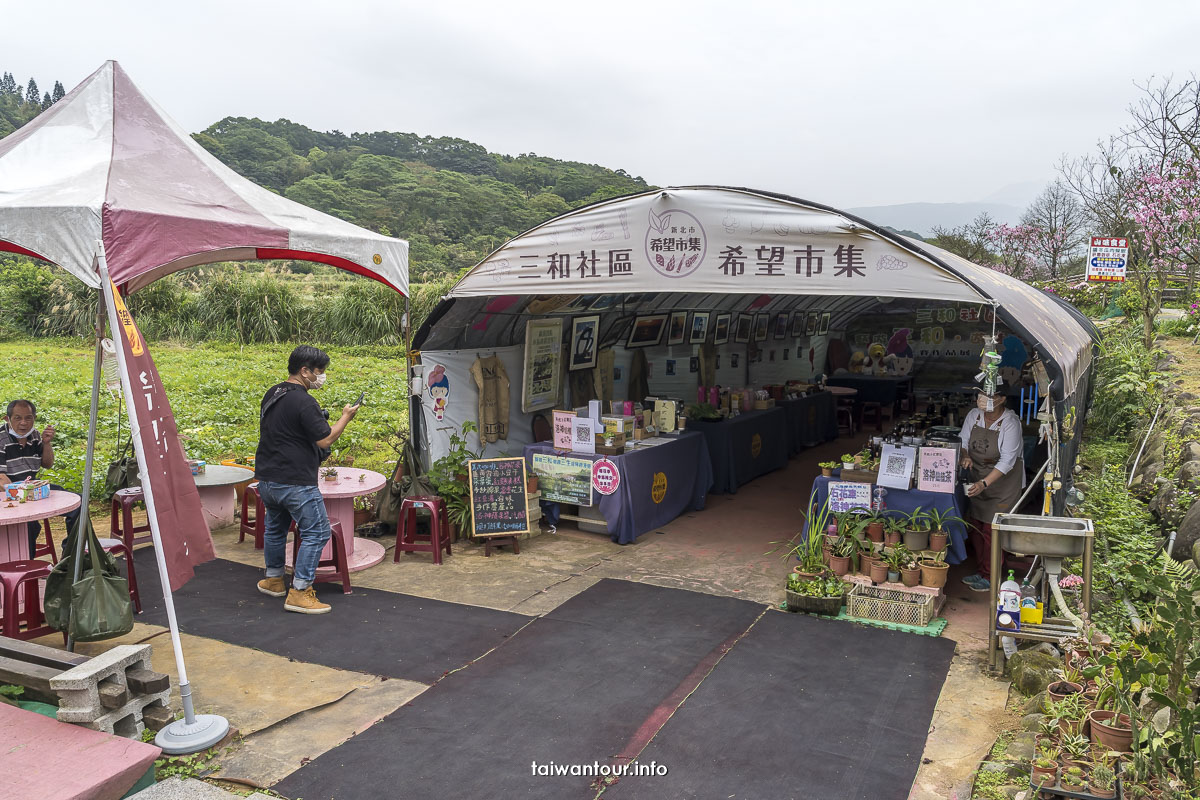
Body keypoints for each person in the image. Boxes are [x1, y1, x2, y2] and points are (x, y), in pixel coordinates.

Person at [254, 346, 358, 614]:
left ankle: (274, 579)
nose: (322, 377)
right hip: (295, 482)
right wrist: (346, 417)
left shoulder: (273, 393)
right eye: (319, 372)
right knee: (318, 531)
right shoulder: (304, 401)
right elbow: (325, 438)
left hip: (268, 479)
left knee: (276, 529)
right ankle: (300, 591)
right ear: (304, 371)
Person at [958, 390, 1025, 593]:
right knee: (977, 526)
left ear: (1002, 398)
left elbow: (1007, 462)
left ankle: (991, 575)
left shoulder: (1010, 423)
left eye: (990, 396)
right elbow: (962, 441)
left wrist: (984, 484)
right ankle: (981, 570)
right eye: (981, 395)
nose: (983, 400)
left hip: (1002, 484)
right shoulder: (974, 415)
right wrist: (966, 455)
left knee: (992, 530)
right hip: (977, 477)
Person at [0, 399, 80, 556]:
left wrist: (46, 443)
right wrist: (23, 496)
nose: (23, 423)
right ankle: (25, 572)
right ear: (7, 419)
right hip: (9, 495)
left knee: (79, 504)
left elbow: (47, 464)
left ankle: (71, 556)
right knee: (29, 526)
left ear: (34, 418)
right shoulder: (1, 439)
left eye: (28, 418)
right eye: (18, 418)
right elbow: (1, 480)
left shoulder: (35, 436)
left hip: (33, 488)